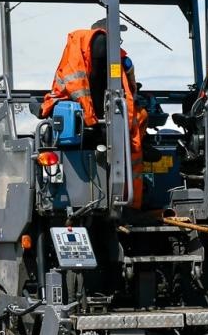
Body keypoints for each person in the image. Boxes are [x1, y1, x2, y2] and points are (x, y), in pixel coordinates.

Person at [42, 16, 149, 200]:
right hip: (111, 126)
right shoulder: (115, 58)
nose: (119, 40)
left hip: (90, 125)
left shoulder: (85, 56)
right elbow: (131, 91)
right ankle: (132, 202)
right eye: (118, 35)